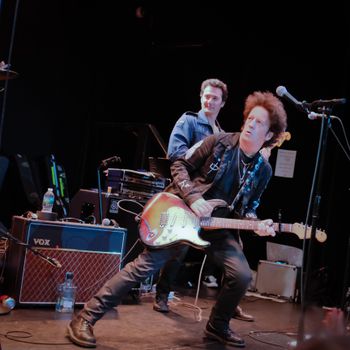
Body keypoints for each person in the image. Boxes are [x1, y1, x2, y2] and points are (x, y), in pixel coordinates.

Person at [67, 90, 287, 348]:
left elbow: (249, 207)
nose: (251, 124)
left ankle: (218, 326)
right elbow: (179, 165)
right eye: (250, 118)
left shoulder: (263, 170)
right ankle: (85, 317)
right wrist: (194, 197)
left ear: (270, 134)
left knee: (241, 275)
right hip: (182, 214)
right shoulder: (219, 142)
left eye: (259, 122)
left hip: (215, 227)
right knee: (144, 267)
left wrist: (256, 224)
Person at [153, 78, 266, 322]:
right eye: (206, 96)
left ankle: (230, 305)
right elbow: (175, 155)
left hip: (209, 204)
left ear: (223, 103)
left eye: (214, 98)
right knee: (178, 247)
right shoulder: (190, 121)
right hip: (186, 196)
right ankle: (162, 294)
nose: (208, 101)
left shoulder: (222, 133)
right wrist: (203, 154)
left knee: (236, 248)